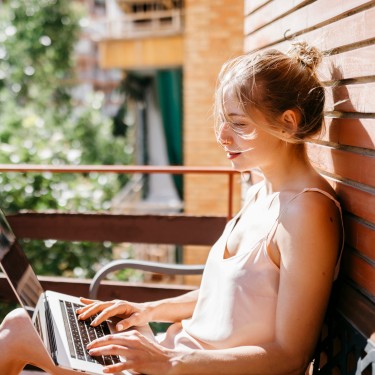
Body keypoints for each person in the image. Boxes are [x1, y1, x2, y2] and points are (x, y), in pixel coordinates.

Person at [0, 41, 343, 375]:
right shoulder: (261, 190)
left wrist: (167, 363)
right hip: (173, 355)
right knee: (35, 322)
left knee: (20, 328)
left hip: (179, 366)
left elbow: (290, 357)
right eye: (223, 120)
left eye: (239, 124)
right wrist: (145, 310)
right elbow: (229, 298)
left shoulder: (307, 213)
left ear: (288, 123)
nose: (223, 135)